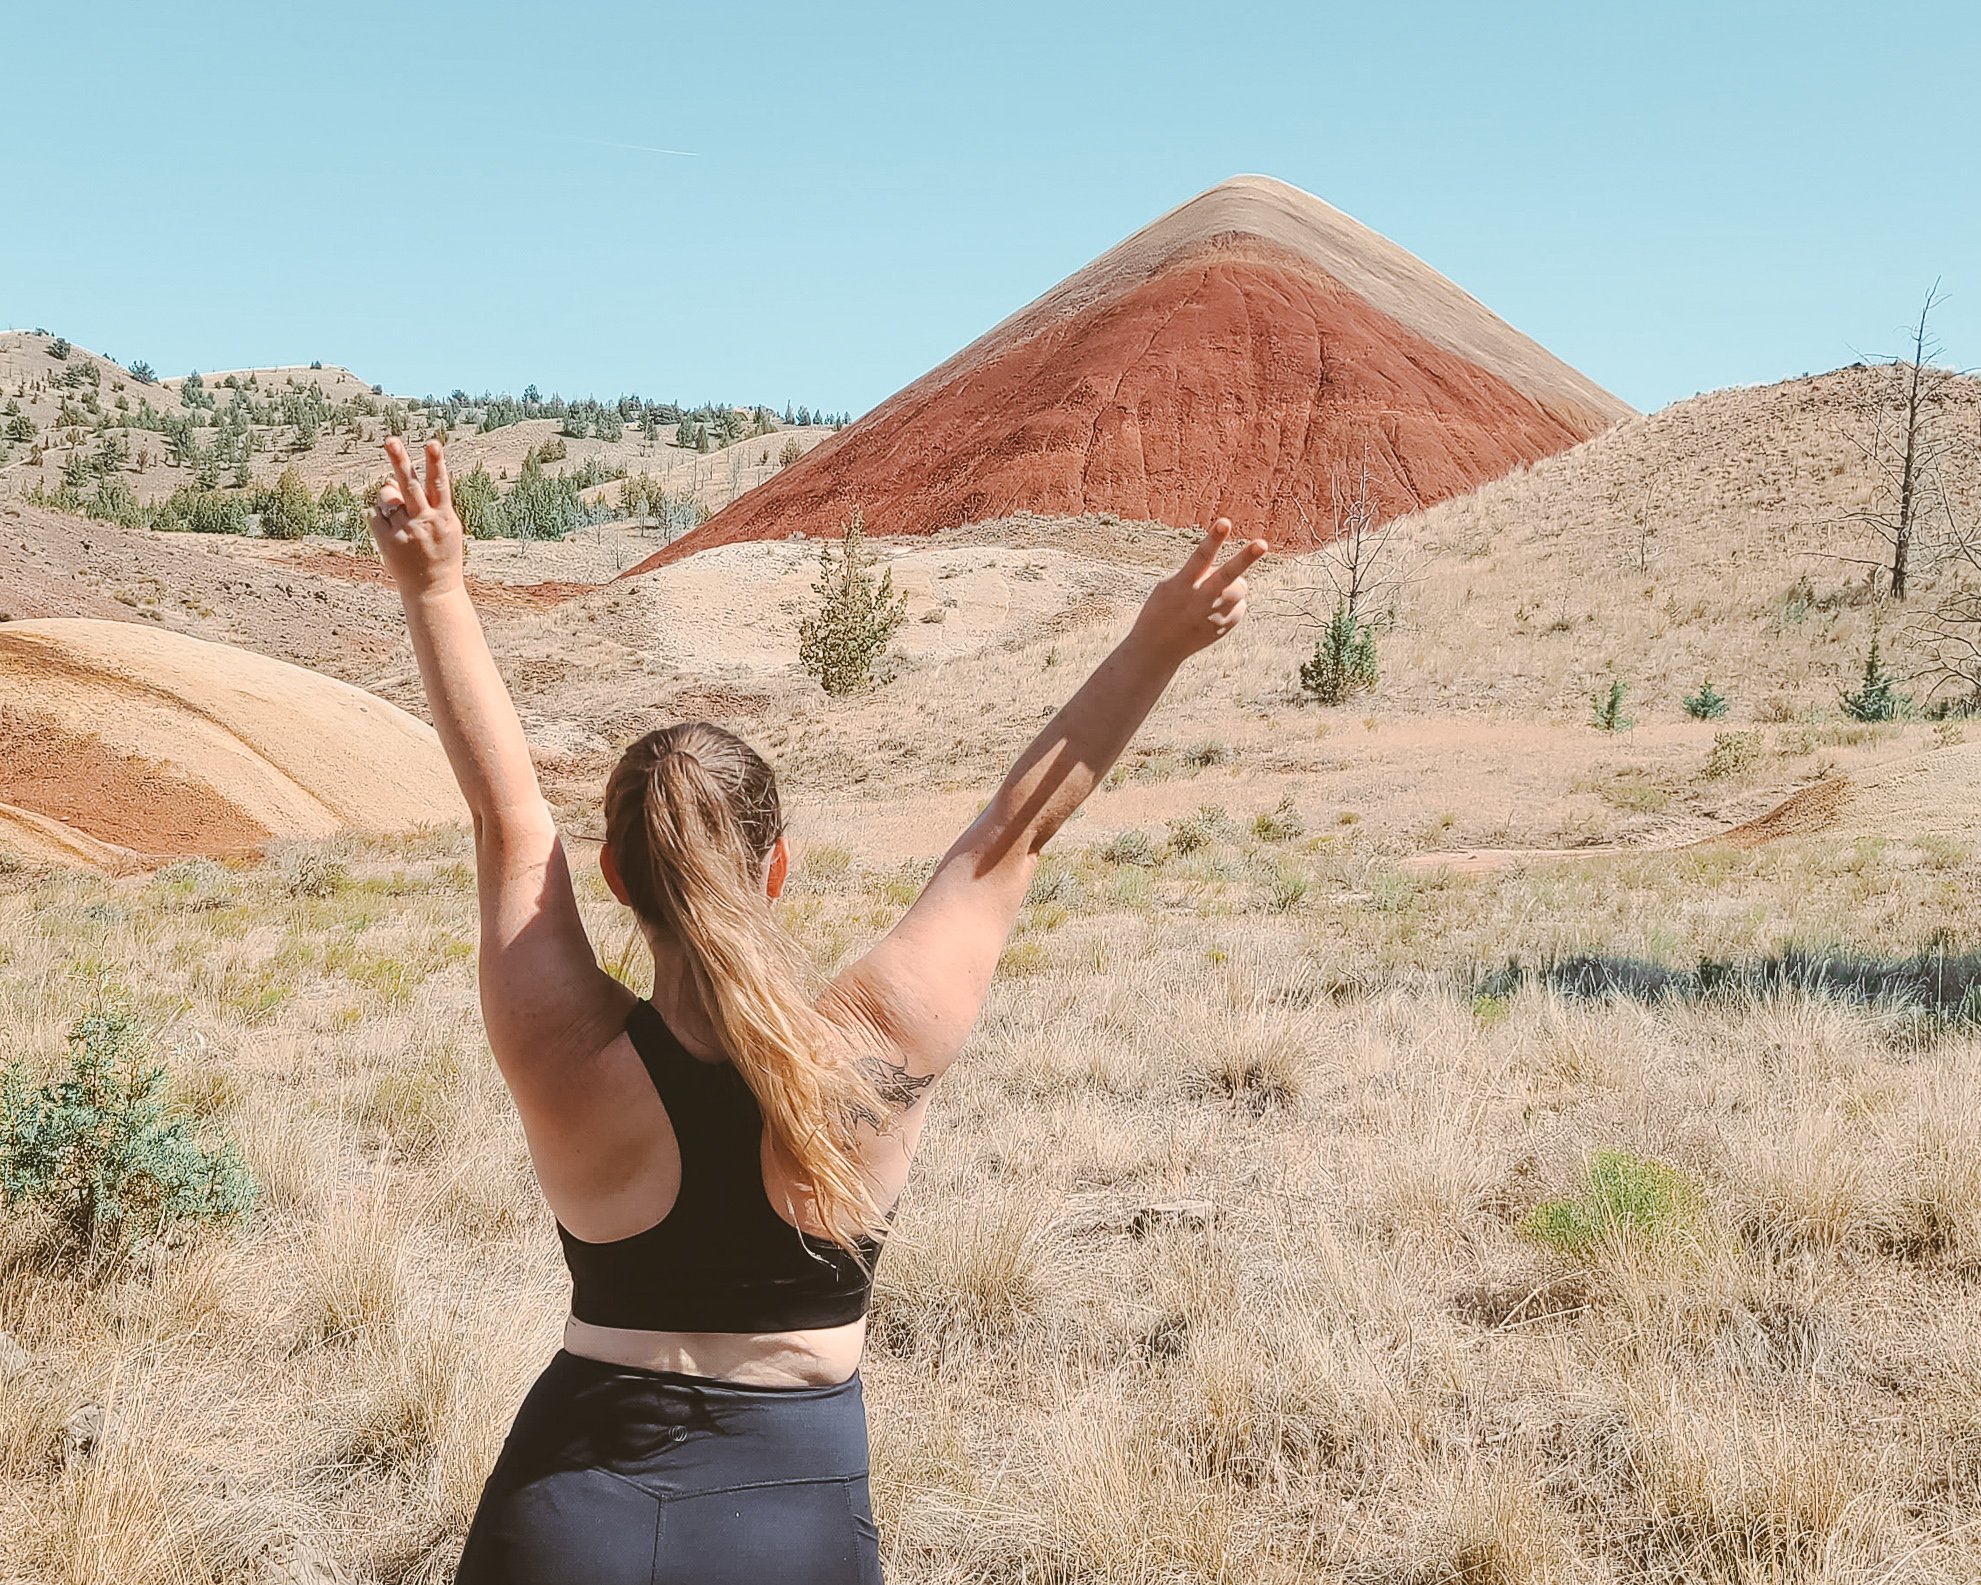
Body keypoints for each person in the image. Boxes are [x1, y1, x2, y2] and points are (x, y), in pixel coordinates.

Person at [367, 437, 1266, 1585]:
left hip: (567, 1516)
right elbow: (1011, 835)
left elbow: (508, 821)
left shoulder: (566, 1050)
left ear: (618, 879)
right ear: (777, 865)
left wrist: (436, 587)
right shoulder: (875, 1044)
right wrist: (1155, 644)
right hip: (787, 1519)